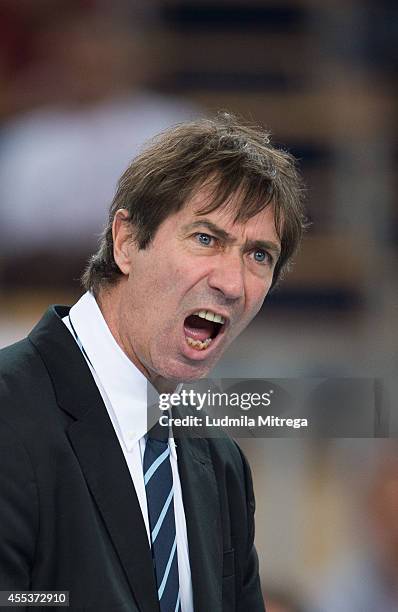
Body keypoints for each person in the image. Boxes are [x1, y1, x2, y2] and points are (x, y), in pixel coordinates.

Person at [0, 114, 304, 611]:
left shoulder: (221, 464)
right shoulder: (9, 412)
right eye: (206, 238)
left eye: (259, 255)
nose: (232, 283)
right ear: (125, 241)